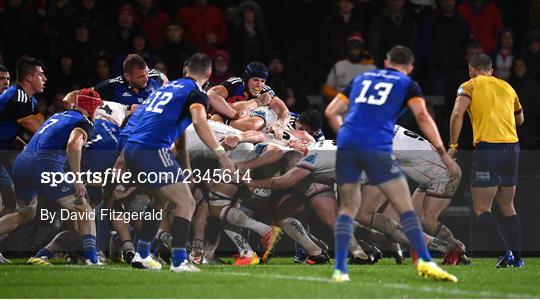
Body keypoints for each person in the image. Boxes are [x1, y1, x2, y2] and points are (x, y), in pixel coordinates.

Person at [325, 45, 459, 282]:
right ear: (410, 68)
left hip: (348, 142)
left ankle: (339, 270)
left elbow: (331, 111)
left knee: (348, 210)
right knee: (404, 207)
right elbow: (422, 116)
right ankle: (427, 262)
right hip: (377, 144)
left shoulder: (362, 78)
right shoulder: (406, 83)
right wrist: (444, 153)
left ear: (386, 63)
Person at [123, 53, 235, 272]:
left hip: (132, 148)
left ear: (186, 70)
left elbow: (179, 132)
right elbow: (199, 121)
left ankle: (142, 254)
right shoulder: (195, 93)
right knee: (187, 202)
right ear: (209, 73)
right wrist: (220, 153)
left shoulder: (167, 88)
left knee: (160, 201)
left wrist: (186, 168)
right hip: (152, 149)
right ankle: (179, 260)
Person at [449, 53, 524, 268]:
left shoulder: (469, 86)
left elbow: (456, 115)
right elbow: (520, 119)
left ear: (471, 70)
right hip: (512, 147)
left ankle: (505, 253)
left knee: (482, 208)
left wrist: (453, 146)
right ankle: (518, 259)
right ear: (491, 70)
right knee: (508, 205)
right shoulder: (507, 87)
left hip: (489, 148)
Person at [13, 88, 103, 266]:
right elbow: (73, 144)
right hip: (45, 166)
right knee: (84, 210)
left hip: (21, 164)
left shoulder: (58, 115)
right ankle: (92, 259)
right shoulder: (85, 123)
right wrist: (77, 179)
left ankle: (44, 253)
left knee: (24, 213)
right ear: (92, 108)